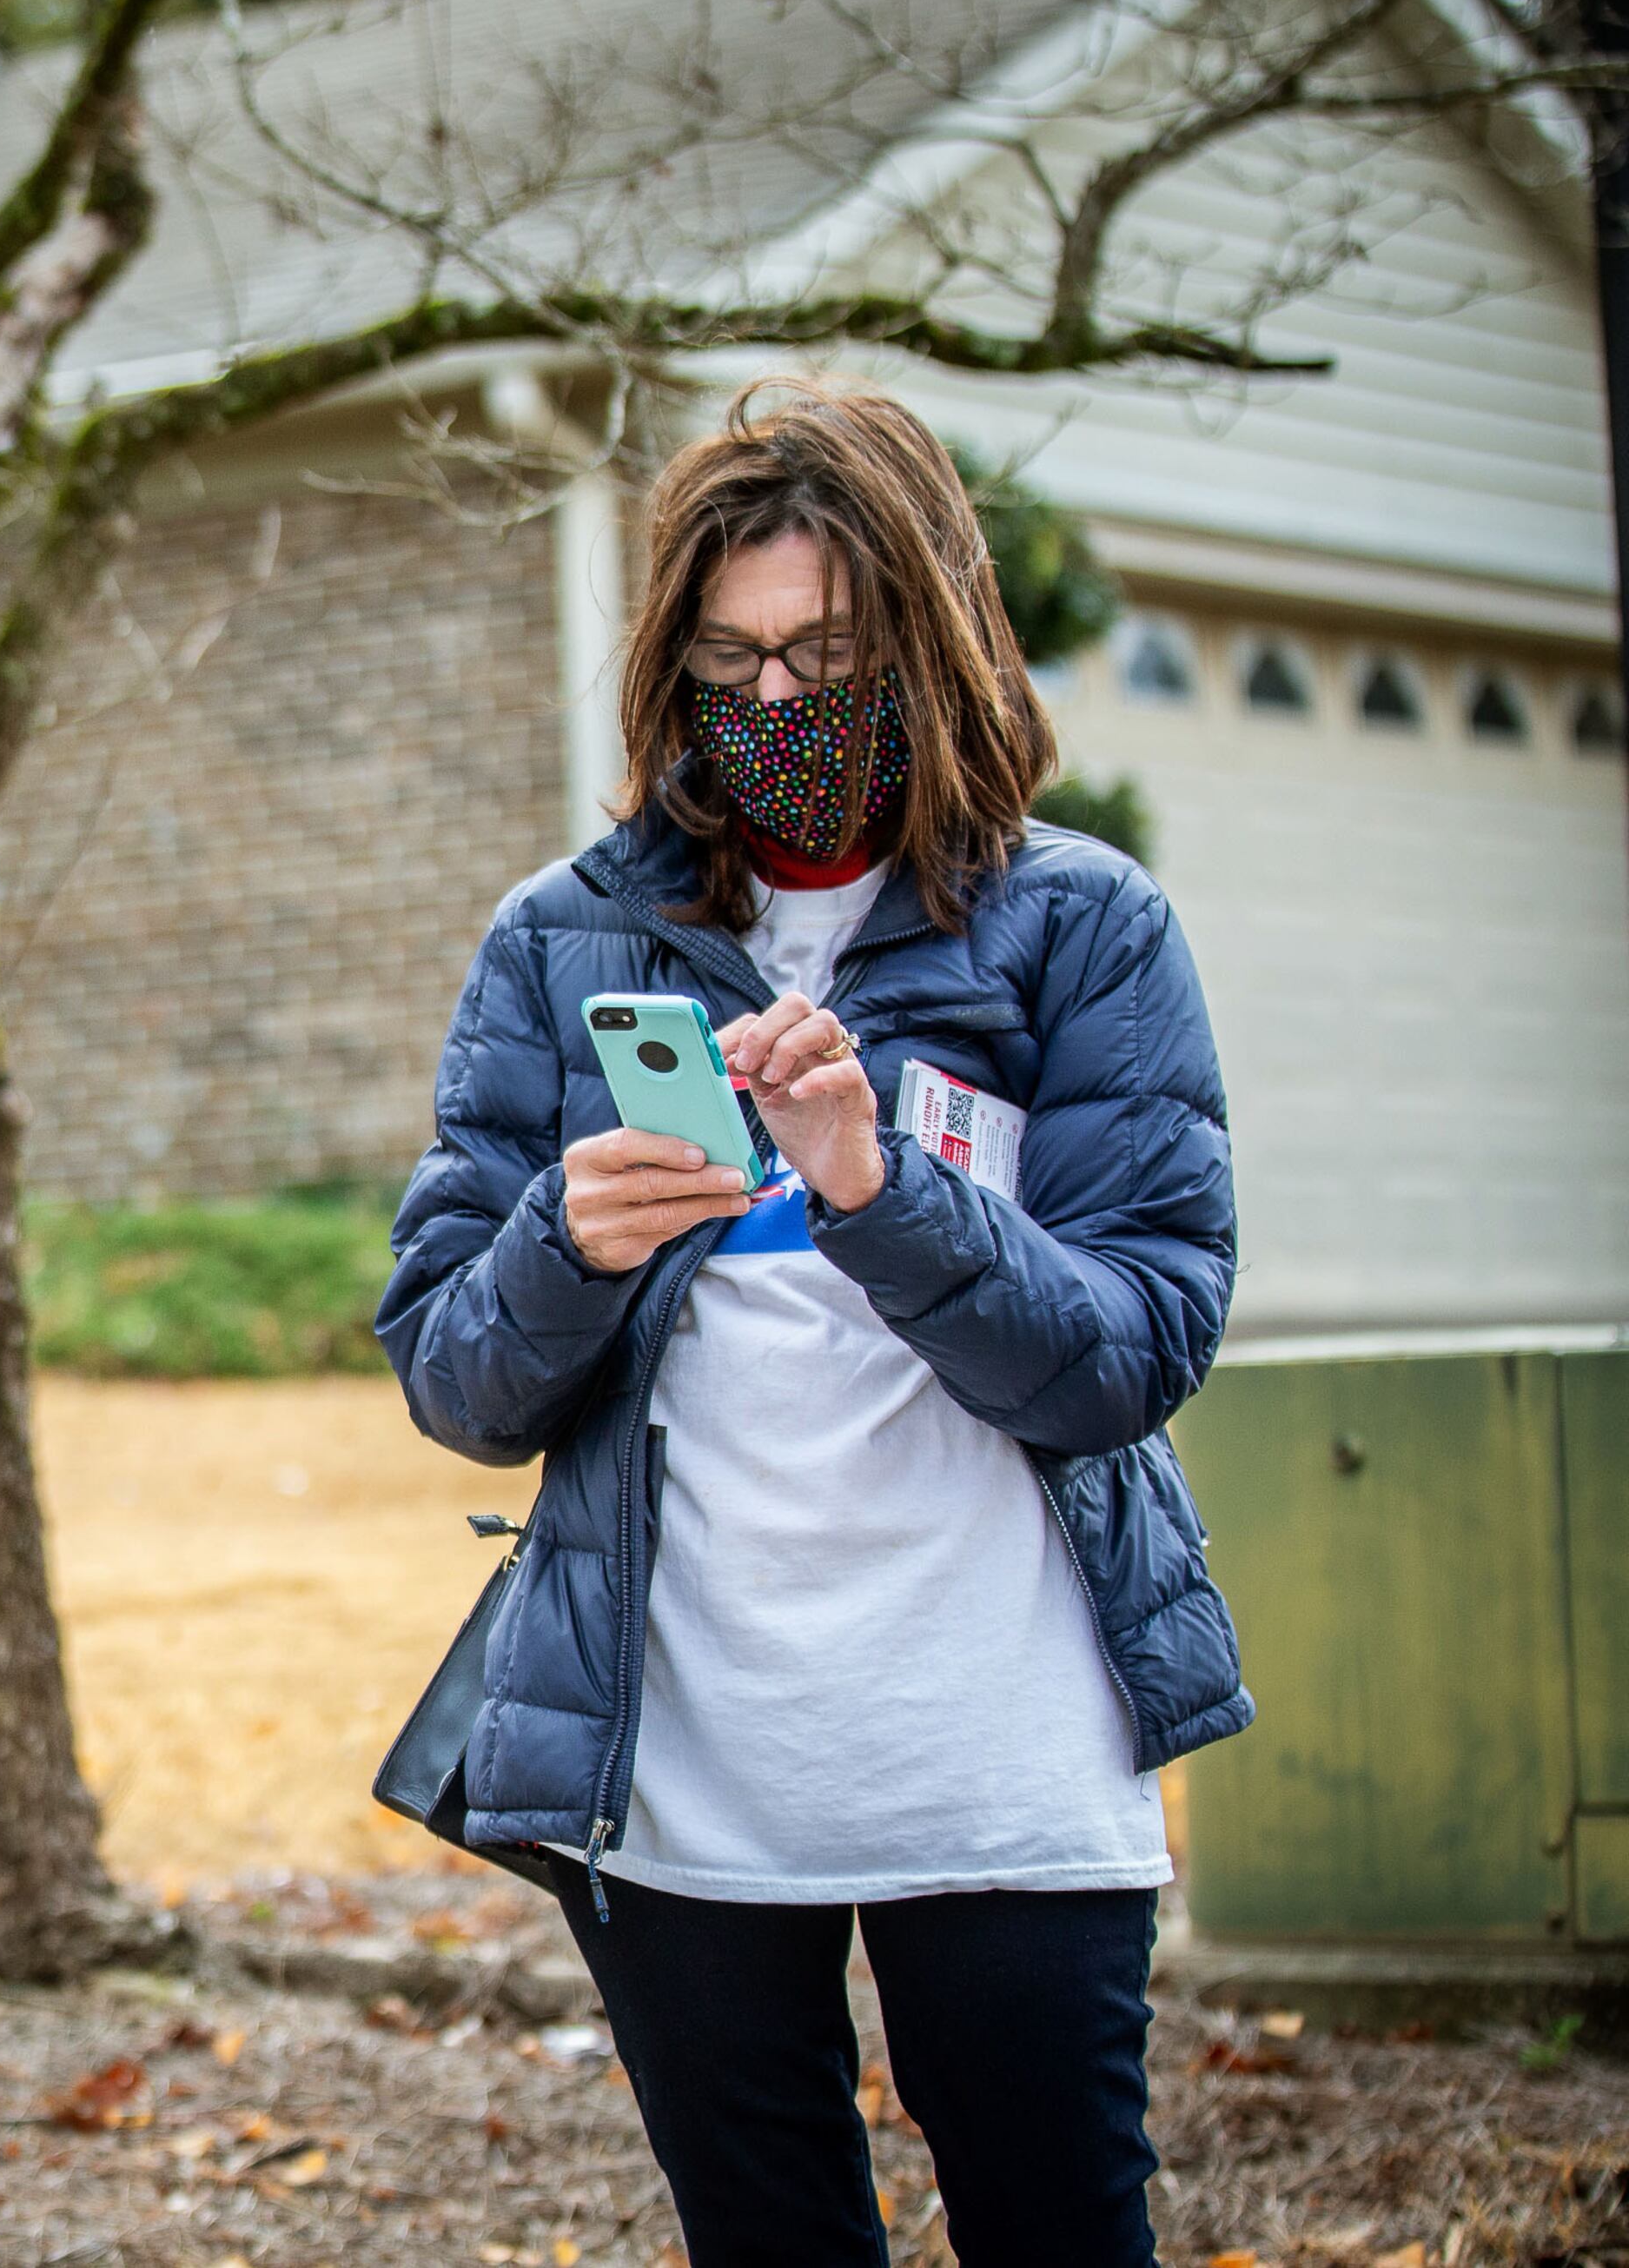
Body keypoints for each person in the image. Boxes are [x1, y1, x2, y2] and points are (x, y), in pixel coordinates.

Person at [372, 377, 1251, 2268]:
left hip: (1004, 1752)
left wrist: (882, 1194)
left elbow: (1129, 1351)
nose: (776, 705)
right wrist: (568, 1238)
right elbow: (455, 1369)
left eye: (830, 656)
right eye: (732, 658)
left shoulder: (1078, 928)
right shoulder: (563, 939)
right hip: (678, 1767)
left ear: (930, 648)